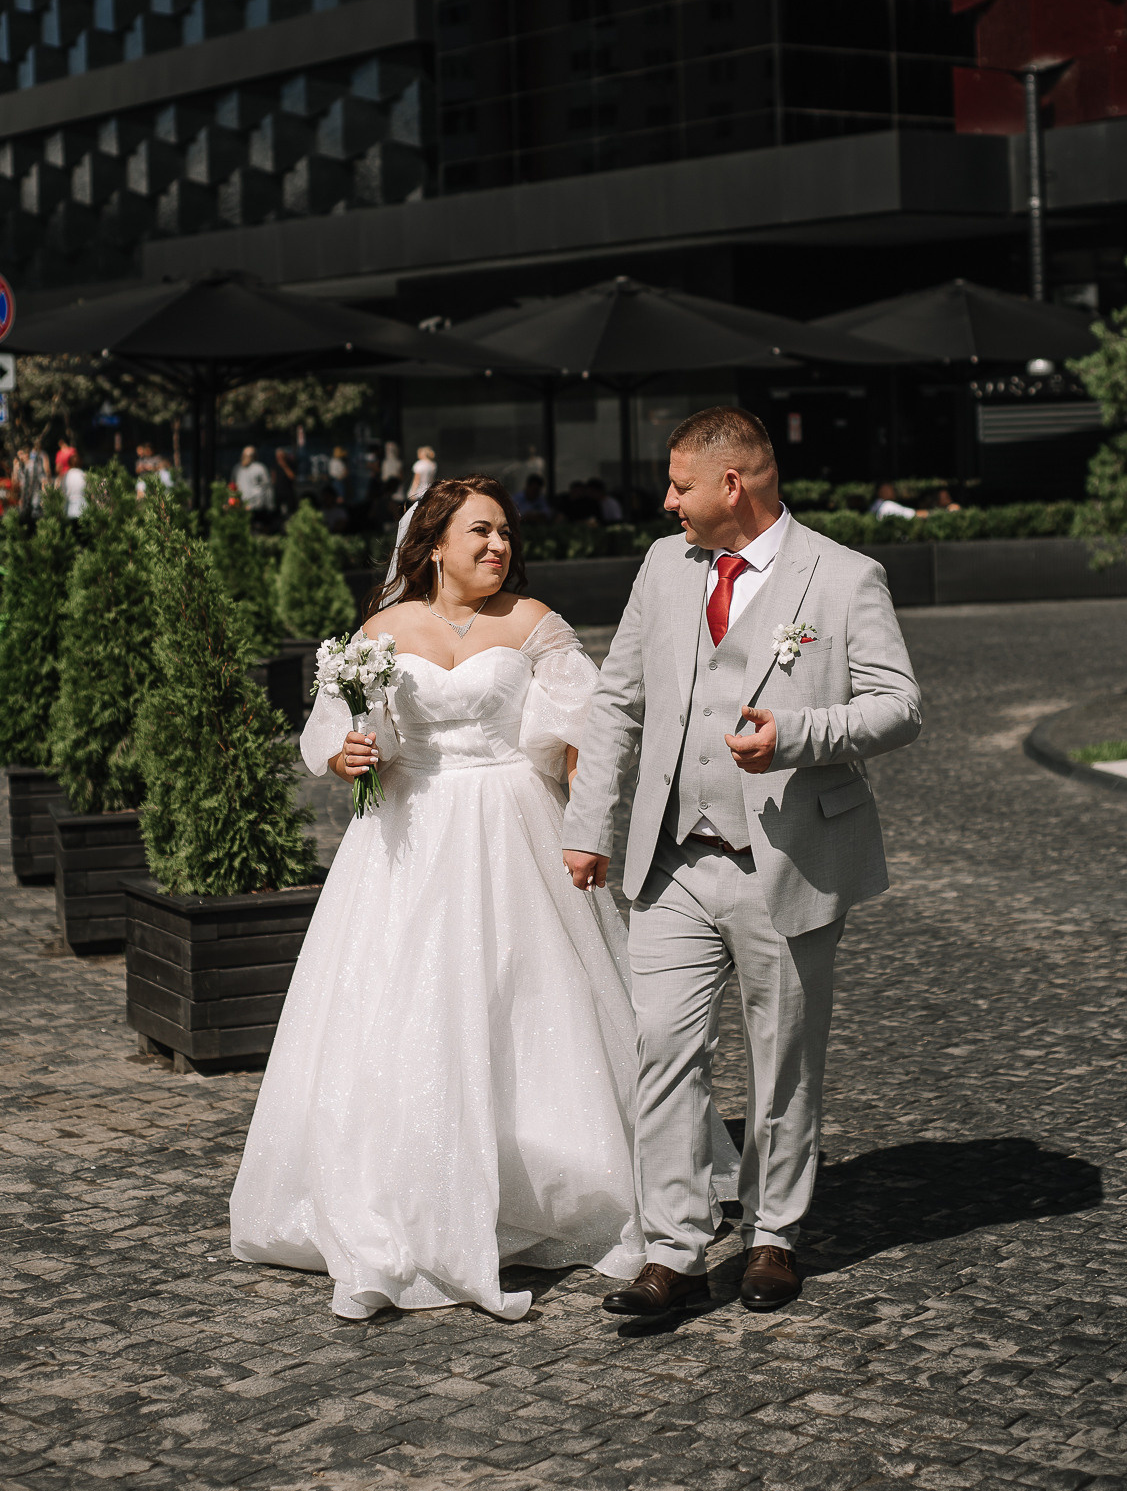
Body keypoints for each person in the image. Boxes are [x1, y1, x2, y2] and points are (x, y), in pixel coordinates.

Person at [229, 477, 737, 1320]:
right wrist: (352, 754)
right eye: (480, 533)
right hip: (407, 835)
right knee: (402, 1007)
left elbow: (583, 734)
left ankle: (543, 1185)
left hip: (515, 830)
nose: (498, 547)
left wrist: (588, 826)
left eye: (504, 533)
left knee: (527, 1004)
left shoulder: (533, 625)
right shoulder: (382, 632)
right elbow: (335, 731)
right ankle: (405, 1196)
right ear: (432, 545)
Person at [563, 406, 922, 1318]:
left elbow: (898, 707)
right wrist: (590, 823)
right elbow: (617, 702)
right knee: (661, 1054)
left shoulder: (845, 577)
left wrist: (800, 734)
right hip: (674, 859)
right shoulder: (663, 566)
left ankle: (772, 1235)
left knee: (783, 1058)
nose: (667, 500)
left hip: (788, 860)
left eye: (680, 484)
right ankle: (676, 1249)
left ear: (733, 485)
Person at [233, 446, 274, 516]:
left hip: (257, 507)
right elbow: (234, 486)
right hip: (243, 505)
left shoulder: (259, 468)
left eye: (248, 455)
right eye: (245, 455)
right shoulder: (237, 468)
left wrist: (270, 505)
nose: (246, 458)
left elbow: (267, 487)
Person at [59, 447, 87, 519]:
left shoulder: (65, 476)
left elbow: (62, 492)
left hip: (69, 509)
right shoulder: (84, 475)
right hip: (83, 507)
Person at [272, 447, 298, 519]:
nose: (279, 458)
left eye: (281, 456)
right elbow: (273, 479)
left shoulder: (290, 464)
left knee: (290, 514)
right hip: (278, 493)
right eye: (277, 456)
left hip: (288, 493)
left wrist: (284, 466)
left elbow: (292, 477)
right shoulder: (275, 465)